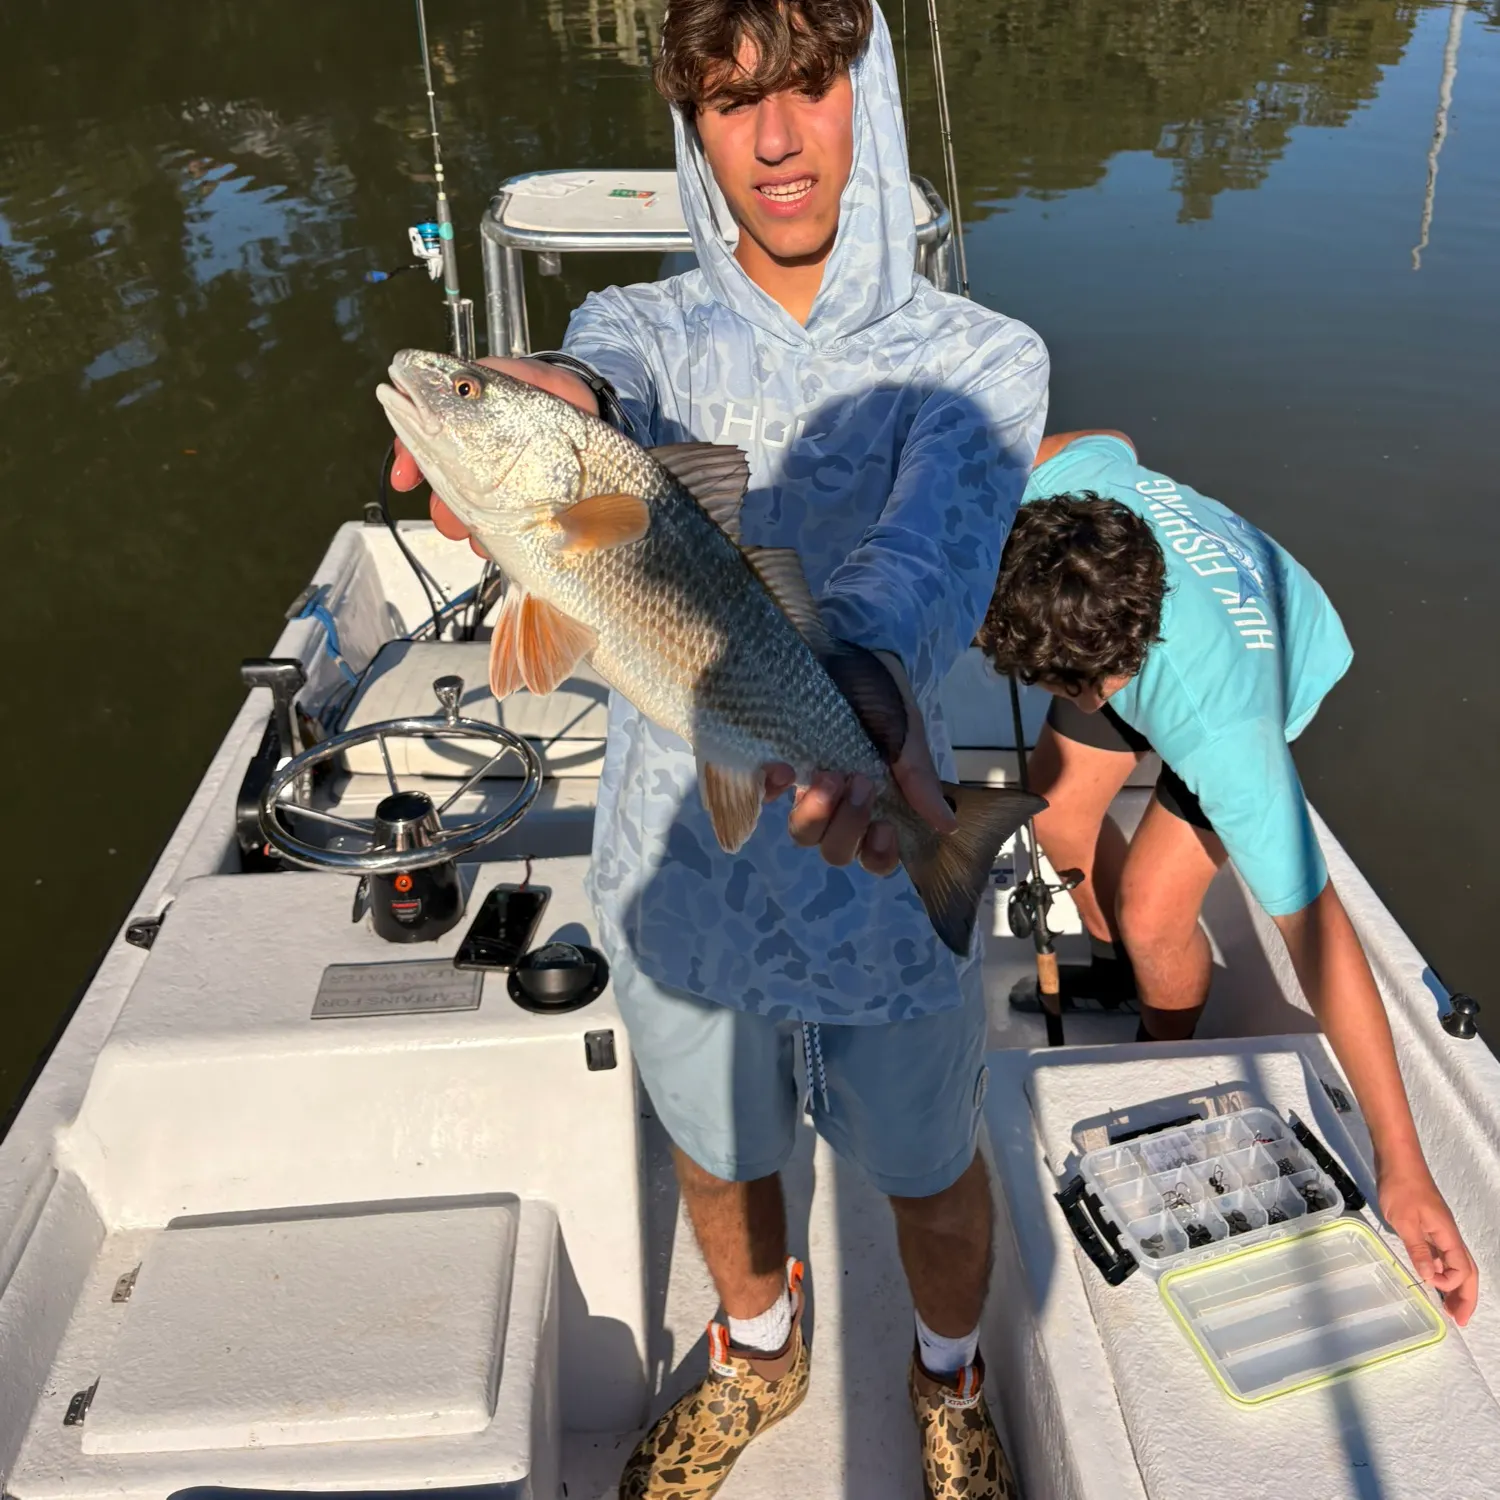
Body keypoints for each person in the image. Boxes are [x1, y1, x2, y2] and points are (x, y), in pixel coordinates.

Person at [391, 2, 1047, 1495]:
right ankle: (758, 1343)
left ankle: (948, 1376)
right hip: (681, 869)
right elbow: (596, 396)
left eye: (810, 89)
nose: (772, 139)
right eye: (731, 102)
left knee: (932, 1166)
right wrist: (536, 409)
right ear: (689, 127)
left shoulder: (985, 356)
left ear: (863, 97)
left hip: (882, 851)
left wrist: (865, 698)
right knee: (716, 1148)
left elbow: (934, 554)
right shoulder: (636, 329)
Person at [977, 428, 1478, 1325]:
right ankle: (1120, 960)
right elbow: (1108, 440)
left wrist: (1403, 1165)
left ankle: (1165, 1043)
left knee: (1152, 908)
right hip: (1144, 603)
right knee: (1054, 818)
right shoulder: (1064, 485)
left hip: (1269, 656)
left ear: (1098, 684)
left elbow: (1321, 937)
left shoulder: (1225, 734)